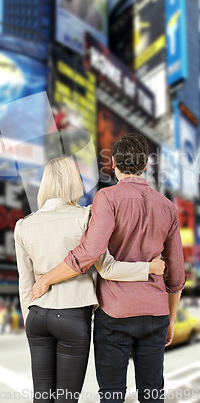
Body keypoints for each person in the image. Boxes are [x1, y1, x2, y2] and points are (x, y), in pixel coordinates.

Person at [31, 133, 185, 403]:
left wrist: (46, 280)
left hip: (114, 314)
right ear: (145, 164)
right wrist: (170, 319)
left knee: (112, 395)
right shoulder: (168, 207)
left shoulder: (107, 199)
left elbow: (89, 253)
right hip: (155, 313)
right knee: (152, 394)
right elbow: (176, 276)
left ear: (112, 162)